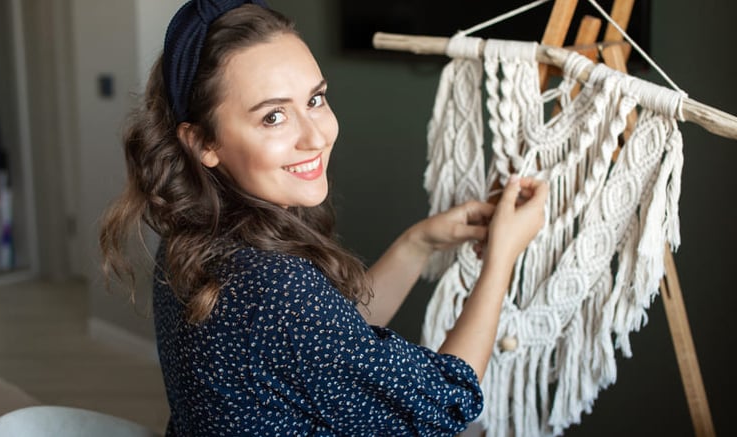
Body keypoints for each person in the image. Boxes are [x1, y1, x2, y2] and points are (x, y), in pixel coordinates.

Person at [99, 1, 548, 435]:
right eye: (273, 116)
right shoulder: (274, 288)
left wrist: (419, 243)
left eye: (315, 100)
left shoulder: (194, 238)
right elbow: (447, 402)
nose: (316, 136)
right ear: (203, 143)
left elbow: (332, 343)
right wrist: (502, 258)